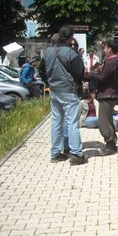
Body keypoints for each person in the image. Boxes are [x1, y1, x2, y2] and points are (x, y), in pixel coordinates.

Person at [44, 25, 86, 165]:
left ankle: (55, 153)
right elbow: (80, 72)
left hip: (54, 90)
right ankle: (76, 153)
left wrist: (49, 82)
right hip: (68, 90)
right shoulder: (71, 53)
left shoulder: (48, 52)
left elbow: (42, 71)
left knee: (56, 121)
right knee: (72, 122)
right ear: (71, 37)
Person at [87, 39, 118, 156]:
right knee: (108, 120)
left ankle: (110, 146)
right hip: (112, 93)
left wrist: (92, 74)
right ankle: (112, 144)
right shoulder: (117, 60)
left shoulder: (111, 62)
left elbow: (102, 78)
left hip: (107, 94)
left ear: (110, 49)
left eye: (105, 48)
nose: (104, 50)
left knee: (104, 122)